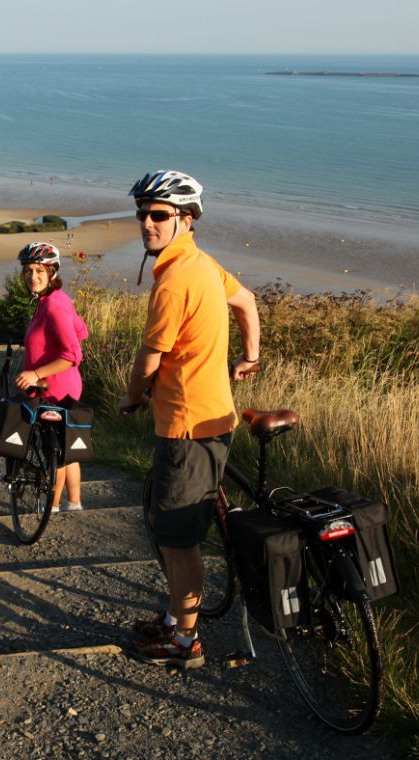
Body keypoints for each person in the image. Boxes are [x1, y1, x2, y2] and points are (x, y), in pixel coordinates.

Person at [118, 170, 261, 669]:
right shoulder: (202, 265)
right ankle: (174, 616)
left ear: (186, 219)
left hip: (186, 426)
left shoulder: (175, 280)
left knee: (178, 542)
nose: (147, 224)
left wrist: (132, 396)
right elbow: (247, 302)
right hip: (212, 418)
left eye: (159, 215)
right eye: (142, 214)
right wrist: (251, 356)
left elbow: (149, 358)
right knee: (179, 531)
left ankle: (184, 641)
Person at [13, 242, 89, 513]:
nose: (32, 277)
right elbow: (82, 331)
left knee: (52, 452)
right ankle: (75, 503)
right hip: (63, 386)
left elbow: (72, 355)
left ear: (52, 272)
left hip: (54, 389)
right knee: (67, 450)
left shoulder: (54, 305)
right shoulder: (56, 300)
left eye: (39, 271)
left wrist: (35, 373)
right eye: (28, 271)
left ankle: (52, 507)